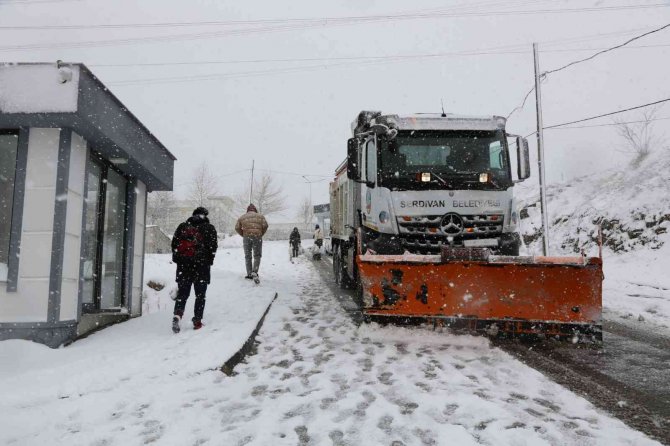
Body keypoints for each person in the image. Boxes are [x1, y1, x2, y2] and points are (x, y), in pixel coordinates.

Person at [171, 207, 218, 333]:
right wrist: (209, 261)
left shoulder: (183, 226)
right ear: (205, 215)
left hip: (184, 267)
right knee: (200, 296)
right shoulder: (209, 228)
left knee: (182, 295)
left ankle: (177, 315)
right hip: (202, 267)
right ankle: (197, 320)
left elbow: (174, 245)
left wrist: (180, 260)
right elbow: (213, 247)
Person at [235, 204, 268, 283]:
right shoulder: (260, 216)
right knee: (257, 255)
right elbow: (265, 226)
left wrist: (243, 234)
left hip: (247, 237)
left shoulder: (242, 217)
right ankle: (255, 271)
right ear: (255, 210)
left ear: (247, 210)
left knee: (248, 255)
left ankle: (249, 273)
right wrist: (260, 233)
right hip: (257, 237)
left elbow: (236, 227)